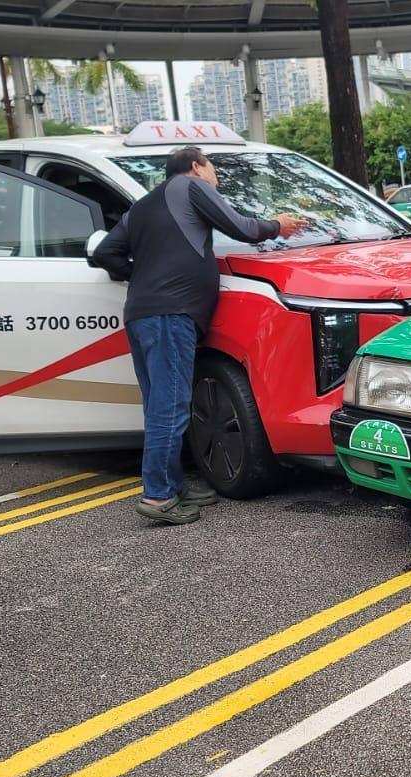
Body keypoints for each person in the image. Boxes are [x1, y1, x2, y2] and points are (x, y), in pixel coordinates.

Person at [93, 146, 306, 525]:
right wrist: (277, 226)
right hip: (171, 316)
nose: (215, 179)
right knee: (170, 406)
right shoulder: (191, 187)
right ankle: (158, 497)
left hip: (142, 315)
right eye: (212, 169)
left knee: (158, 405)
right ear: (195, 166)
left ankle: (171, 485)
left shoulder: (141, 207)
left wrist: (143, 276)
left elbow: (106, 252)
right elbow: (242, 228)